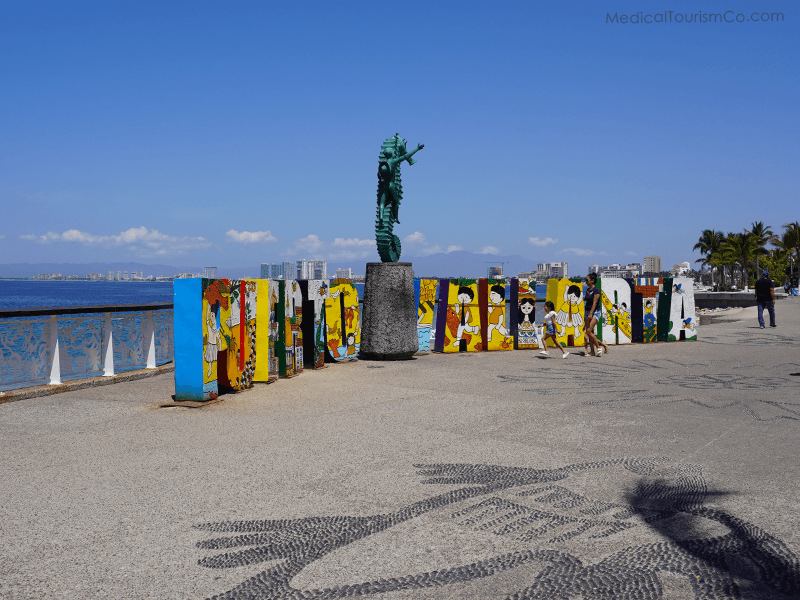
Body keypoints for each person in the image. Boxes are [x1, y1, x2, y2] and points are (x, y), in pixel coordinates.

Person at [583, 273, 609, 357]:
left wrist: (591, 313)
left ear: (592, 281)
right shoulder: (587, 290)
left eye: (587, 280)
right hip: (587, 311)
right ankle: (592, 351)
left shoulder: (596, 291)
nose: (585, 281)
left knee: (589, 331)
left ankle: (598, 347)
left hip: (595, 312)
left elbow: (594, 303)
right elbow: (586, 301)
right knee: (590, 333)